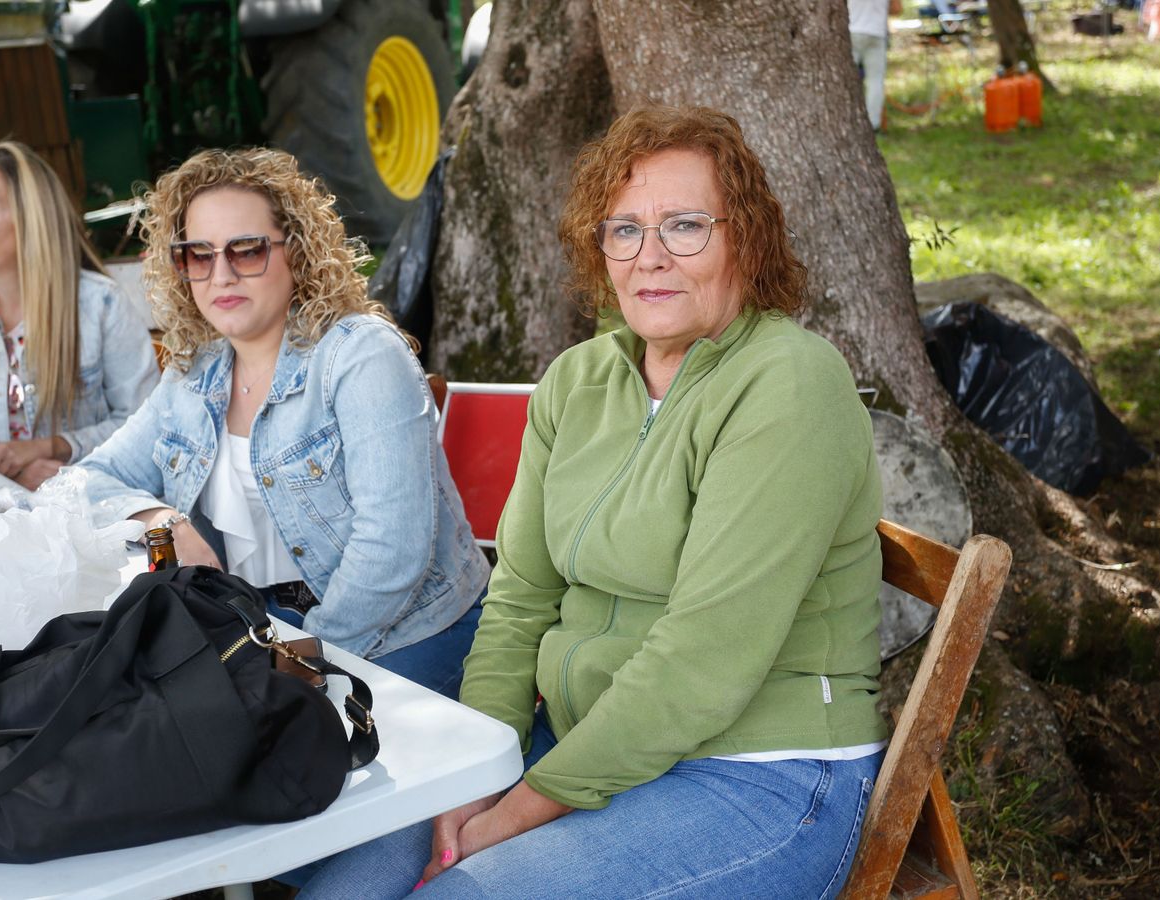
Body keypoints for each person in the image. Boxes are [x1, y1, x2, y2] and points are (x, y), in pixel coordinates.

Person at [305, 105, 889, 899]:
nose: (651, 257)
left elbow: (703, 660)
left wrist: (511, 814)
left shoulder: (789, 385)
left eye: (686, 226)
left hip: (755, 774)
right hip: (580, 744)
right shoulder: (578, 381)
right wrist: (477, 769)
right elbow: (519, 600)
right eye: (625, 230)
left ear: (745, 240)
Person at [76, 147, 489, 698]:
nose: (221, 274)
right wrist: (164, 519)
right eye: (198, 255)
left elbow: (393, 550)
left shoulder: (360, 355)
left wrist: (299, 658)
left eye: (246, 250)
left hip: (407, 630)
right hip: (259, 625)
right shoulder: (194, 375)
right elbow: (86, 482)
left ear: (295, 251)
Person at [0, 140, 159, 490]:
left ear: (31, 218)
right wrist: (13, 473)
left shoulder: (101, 304)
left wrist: (54, 446)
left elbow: (146, 424)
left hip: (93, 501)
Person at [850, 0, 904, 131]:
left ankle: (848, 119)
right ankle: (873, 123)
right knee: (875, 81)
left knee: (847, 80)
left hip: (852, 30)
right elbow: (897, 9)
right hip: (876, 32)